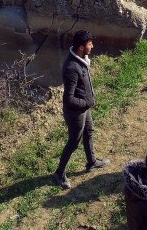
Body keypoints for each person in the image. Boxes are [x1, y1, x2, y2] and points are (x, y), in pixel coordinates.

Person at [53, 30, 109, 189]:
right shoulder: (72, 67)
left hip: (84, 108)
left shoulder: (82, 59)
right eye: (89, 44)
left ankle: (92, 162)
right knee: (73, 142)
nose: (92, 46)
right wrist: (86, 103)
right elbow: (68, 99)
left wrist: (87, 102)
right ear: (80, 47)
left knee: (89, 132)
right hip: (75, 112)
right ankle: (59, 173)